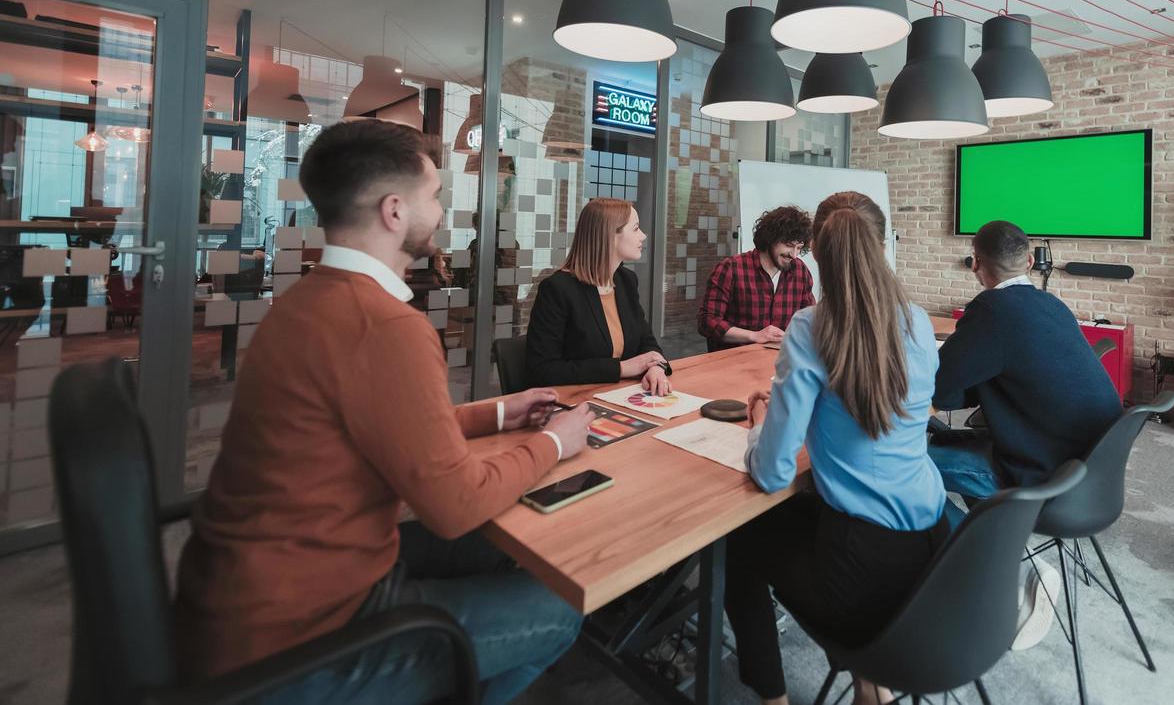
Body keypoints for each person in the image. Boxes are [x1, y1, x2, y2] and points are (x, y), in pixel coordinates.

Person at [174, 119, 595, 704]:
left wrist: (500, 414)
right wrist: (556, 441)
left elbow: (376, 426)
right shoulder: (386, 327)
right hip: (305, 637)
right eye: (436, 197)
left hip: (243, 599)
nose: (444, 212)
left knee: (512, 550)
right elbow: (455, 506)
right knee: (562, 607)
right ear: (395, 211)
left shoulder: (304, 302)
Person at [724, 191, 948, 705]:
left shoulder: (810, 327)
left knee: (739, 542)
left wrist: (760, 421)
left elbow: (773, 472)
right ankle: (874, 684)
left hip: (859, 563)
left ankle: (772, 698)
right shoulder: (917, 321)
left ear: (816, 254)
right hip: (933, 546)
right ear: (884, 243)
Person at [928, 219, 1122, 499]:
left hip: (1038, 474)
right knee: (943, 439)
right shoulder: (1052, 304)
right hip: (1085, 471)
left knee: (893, 464)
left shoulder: (991, 309)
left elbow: (939, 390)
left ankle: (958, 539)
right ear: (1030, 261)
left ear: (975, 263)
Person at [526, 197, 671, 393]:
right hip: (575, 403)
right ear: (610, 235)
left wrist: (654, 367)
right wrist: (622, 368)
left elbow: (646, 340)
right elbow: (543, 370)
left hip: (621, 395)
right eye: (636, 228)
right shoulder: (557, 289)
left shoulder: (626, 280)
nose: (643, 236)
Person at [697, 205, 815, 352]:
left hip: (782, 362)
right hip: (734, 363)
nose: (794, 255)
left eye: (799, 248)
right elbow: (707, 322)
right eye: (789, 245)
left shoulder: (800, 271)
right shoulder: (731, 269)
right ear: (771, 238)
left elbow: (809, 320)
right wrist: (754, 336)